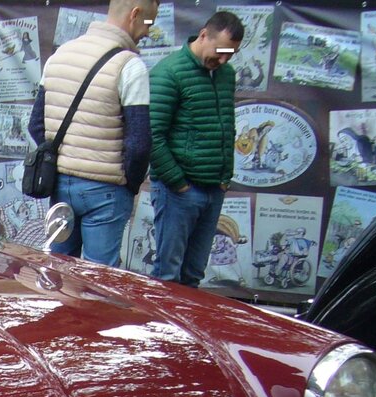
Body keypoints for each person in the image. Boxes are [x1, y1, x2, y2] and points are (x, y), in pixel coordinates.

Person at [28, 0, 158, 266]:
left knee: (58, 273)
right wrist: (129, 186)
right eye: (148, 23)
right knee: (99, 281)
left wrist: (64, 159)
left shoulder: (59, 55)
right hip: (107, 190)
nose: (147, 32)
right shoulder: (130, 66)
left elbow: (36, 125)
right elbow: (139, 144)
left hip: (60, 185)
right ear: (135, 15)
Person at [148, 10, 243, 286]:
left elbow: (227, 124)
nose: (223, 59)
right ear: (203, 35)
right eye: (220, 51)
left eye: (231, 54)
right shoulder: (169, 72)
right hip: (179, 191)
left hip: (213, 188)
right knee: (167, 274)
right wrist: (178, 184)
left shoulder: (226, 74)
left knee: (194, 275)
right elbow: (152, 135)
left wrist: (225, 178)